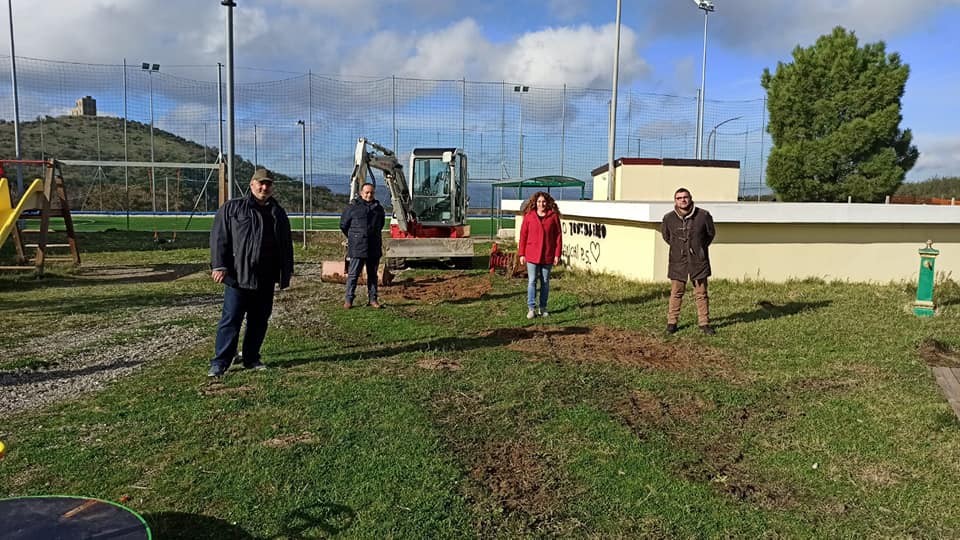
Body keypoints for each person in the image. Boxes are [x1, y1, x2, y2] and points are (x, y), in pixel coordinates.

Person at [208, 168, 294, 377]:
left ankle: (251, 357)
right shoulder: (233, 208)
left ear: (272, 187)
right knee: (231, 319)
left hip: (266, 276)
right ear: (252, 184)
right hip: (239, 275)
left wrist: (286, 270)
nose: (264, 187)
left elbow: (286, 244)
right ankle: (220, 362)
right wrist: (219, 266)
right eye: (261, 183)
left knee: (259, 319)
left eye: (268, 184)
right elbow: (219, 238)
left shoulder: (278, 212)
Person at [661, 187, 716, 335]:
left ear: (690, 198)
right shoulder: (668, 218)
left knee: (701, 293)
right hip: (677, 261)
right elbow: (667, 237)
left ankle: (704, 323)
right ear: (675, 201)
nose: (682, 200)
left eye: (685, 197)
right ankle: (672, 323)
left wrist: (699, 249)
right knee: (676, 292)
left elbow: (710, 234)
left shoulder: (703, 215)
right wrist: (680, 248)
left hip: (698, 261)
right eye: (679, 198)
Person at [340, 182, 385, 309]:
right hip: (357, 246)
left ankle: (373, 299)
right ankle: (349, 300)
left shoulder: (378, 209)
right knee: (353, 275)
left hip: (373, 246)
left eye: (372, 193)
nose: (369, 195)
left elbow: (380, 225)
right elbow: (343, 225)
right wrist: (354, 237)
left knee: (372, 275)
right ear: (361, 193)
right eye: (367, 192)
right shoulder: (352, 207)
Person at [518, 191, 562, 319]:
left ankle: (543, 308)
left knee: (545, 282)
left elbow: (558, 236)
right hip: (532, 254)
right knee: (532, 281)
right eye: (539, 201)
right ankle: (531, 308)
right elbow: (523, 235)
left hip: (547, 255)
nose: (541, 204)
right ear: (535, 203)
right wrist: (522, 254)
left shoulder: (553, 217)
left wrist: (557, 254)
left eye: (543, 202)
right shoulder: (529, 216)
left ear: (547, 203)